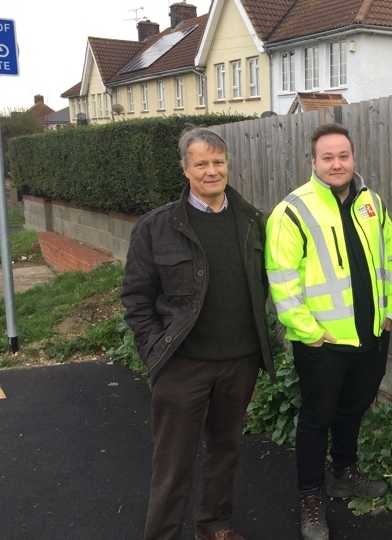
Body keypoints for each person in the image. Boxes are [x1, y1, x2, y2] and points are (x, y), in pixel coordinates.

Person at [121, 126, 276, 540]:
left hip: (239, 362)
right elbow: (136, 298)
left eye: (218, 162)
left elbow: (265, 284)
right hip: (182, 365)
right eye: (202, 163)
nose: (212, 171)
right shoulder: (156, 227)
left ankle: (213, 527)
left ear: (227, 165)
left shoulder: (252, 221)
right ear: (185, 169)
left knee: (225, 453)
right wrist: (155, 353)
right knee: (173, 465)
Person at [265, 123, 392, 540]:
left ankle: (343, 472)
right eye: (327, 157)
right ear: (313, 162)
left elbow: (390, 259)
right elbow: (282, 279)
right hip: (322, 343)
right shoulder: (293, 210)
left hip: (372, 335)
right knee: (315, 419)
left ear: (353, 158)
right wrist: (307, 331)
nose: (336, 163)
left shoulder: (372, 203)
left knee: (353, 410)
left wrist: (390, 311)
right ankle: (310, 498)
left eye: (343, 155)